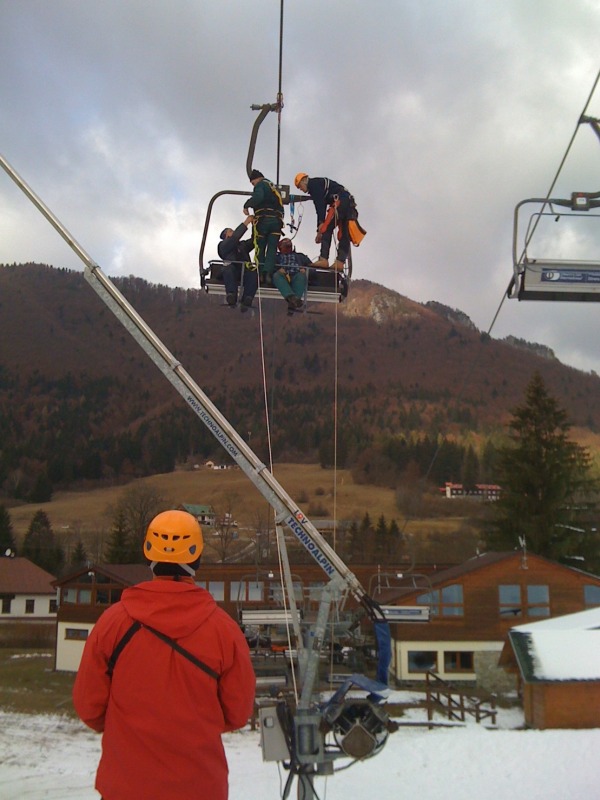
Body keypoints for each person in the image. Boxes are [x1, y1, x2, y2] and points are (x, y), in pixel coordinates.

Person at [73, 509, 256, 800]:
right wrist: (193, 724)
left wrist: (129, 726)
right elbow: (238, 712)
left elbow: (89, 707)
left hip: (126, 788)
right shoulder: (224, 630)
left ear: (149, 554)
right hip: (199, 789)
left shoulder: (113, 623)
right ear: (196, 558)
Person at [294, 173, 364, 272]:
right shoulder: (320, 184)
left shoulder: (313, 185)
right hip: (348, 204)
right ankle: (340, 262)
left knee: (326, 229)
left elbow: (320, 204)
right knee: (344, 233)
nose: (300, 189)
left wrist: (320, 224)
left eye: (299, 186)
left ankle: (323, 259)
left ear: (304, 181)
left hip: (340, 203)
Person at [242, 169, 284, 284]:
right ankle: (268, 273)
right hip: (276, 222)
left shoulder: (260, 185)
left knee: (260, 247)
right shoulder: (273, 187)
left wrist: (246, 205)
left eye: (253, 183)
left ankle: (260, 274)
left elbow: (258, 197)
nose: (253, 185)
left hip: (263, 220)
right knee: (272, 249)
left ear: (256, 179)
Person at [217, 215, 258, 311]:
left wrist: (254, 226)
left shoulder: (242, 245)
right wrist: (246, 222)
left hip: (243, 269)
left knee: (253, 273)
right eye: (231, 231)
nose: (234, 232)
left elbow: (254, 241)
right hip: (232, 269)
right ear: (226, 235)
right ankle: (231, 295)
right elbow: (234, 238)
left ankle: (248, 298)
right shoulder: (223, 245)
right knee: (228, 269)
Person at [273, 237, 310, 311]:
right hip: (283, 276)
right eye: (285, 243)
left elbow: (312, 269)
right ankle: (292, 298)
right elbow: (270, 267)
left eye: (289, 242)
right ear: (280, 247)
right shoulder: (275, 257)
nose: (288, 243)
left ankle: (293, 301)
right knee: (276, 275)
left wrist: (305, 270)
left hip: (296, 275)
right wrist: (278, 269)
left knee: (301, 276)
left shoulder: (301, 256)